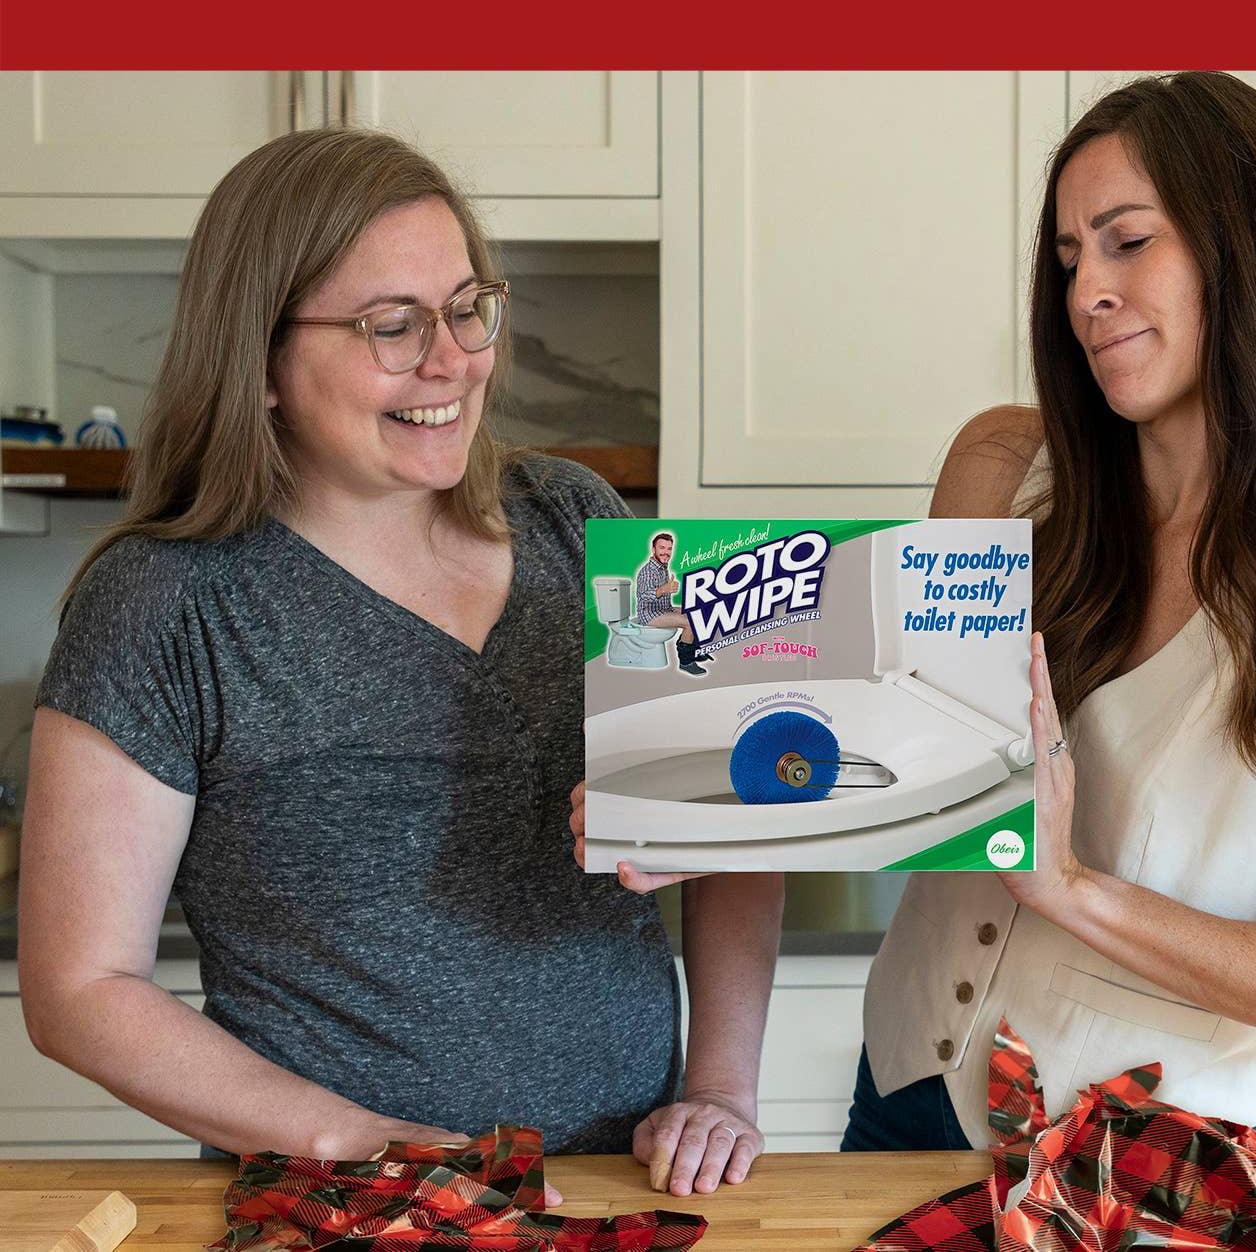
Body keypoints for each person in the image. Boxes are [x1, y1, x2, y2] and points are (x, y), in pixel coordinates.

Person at [19, 128, 783, 1197]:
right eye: (392, 325)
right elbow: (79, 987)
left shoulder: (577, 524)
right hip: (345, 1204)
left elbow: (745, 821)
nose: (453, 360)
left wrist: (723, 1086)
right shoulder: (168, 601)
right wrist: (372, 1148)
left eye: (469, 307)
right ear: (262, 359)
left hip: (631, 1186)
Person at [843, 71, 1256, 1152]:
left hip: (1142, 1159)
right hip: (905, 1091)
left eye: (1128, 242)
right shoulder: (1002, 471)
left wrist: (1073, 889)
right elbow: (911, 763)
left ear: (1250, 252)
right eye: (1072, 257)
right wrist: (705, 814)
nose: (1086, 292)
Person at [635, 530, 712, 675]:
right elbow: (643, 596)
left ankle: (690, 647)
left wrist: (667, 590)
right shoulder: (648, 571)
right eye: (662, 548)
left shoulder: (662, 567)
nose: (666, 552)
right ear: (653, 549)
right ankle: (686, 662)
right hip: (650, 614)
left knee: (696, 611)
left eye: (669, 548)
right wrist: (664, 589)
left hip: (663, 608)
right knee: (689, 622)